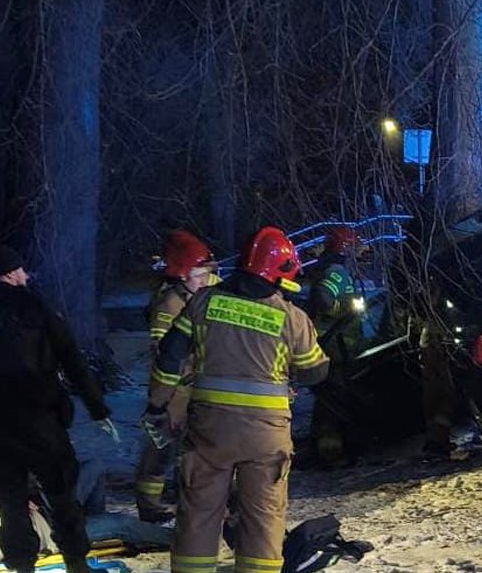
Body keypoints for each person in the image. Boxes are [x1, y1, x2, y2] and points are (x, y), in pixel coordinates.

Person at [148, 226, 329, 572]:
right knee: (263, 518)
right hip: (265, 439)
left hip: (209, 431)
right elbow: (314, 372)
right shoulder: (292, 318)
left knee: (198, 514)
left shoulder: (202, 303)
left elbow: (169, 358)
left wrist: (157, 403)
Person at [0, 244, 115, 573]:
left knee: (11, 504)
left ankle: (21, 566)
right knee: (61, 497)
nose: (25, 275)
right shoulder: (33, 306)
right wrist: (98, 409)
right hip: (41, 422)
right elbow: (72, 359)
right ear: (11, 272)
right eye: (22, 270)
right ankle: (75, 562)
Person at [135, 230, 218, 522]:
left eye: (208, 273)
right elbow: (164, 351)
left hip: (199, 384)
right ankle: (149, 504)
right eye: (199, 274)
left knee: (194, 447)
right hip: (175, 388)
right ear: (182, 275)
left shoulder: (206, 291)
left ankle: (191, 499)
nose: (206, 279)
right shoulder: (169, 304)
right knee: (162, 446)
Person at [304, 225, 364, 465]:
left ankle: (323, 448)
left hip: (331, 346)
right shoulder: (337, 271)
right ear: (346, 248)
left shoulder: (330, 268)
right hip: (336, 348)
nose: (362, 250)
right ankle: (331, 453)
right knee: (334, 401)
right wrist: (344, 310)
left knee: (327, 400)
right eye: (356, 246)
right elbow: (322, 299)